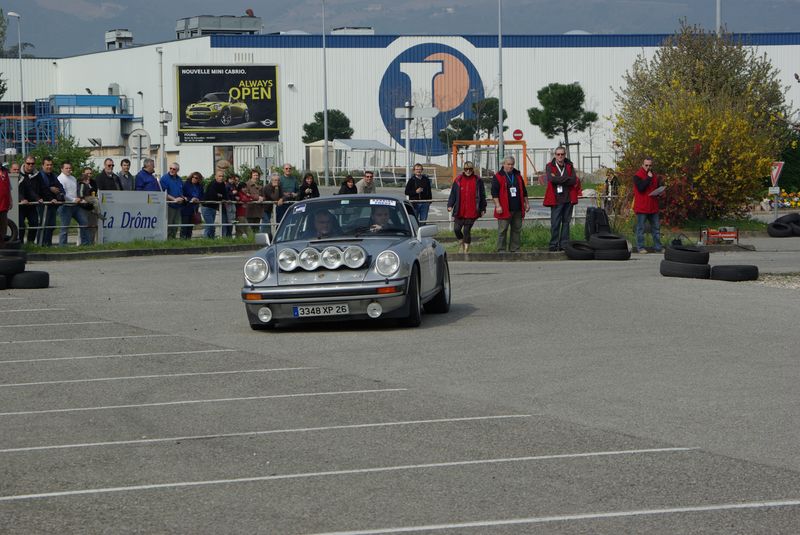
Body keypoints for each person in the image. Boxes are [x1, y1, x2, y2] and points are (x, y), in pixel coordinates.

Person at [543, 146, 580, 251]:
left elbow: (573, 180)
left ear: (565, 155)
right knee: (555, 223)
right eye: (558, 154)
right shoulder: (550, 166)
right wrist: (566, 179)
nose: (560, 156)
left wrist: (559, 179)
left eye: (562, 154)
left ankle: (564, 244)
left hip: (568, 199)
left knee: (566, 223)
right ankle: (553, 244)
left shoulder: (569, 165)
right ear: (555, 155)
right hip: (556, 199)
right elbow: (551, 179)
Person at [491, 156, 528, 252]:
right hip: (504, 208)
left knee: (516, 229)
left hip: (518, 208)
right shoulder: (498, 176)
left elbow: (524, 191)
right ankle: (501, 249)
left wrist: (526, 203)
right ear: (503, 164)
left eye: (512, 164)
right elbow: (494, 193)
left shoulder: (518, 175)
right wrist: (498, 205)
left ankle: (515, 248)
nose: (510, 166)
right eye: (508, 164)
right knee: (502, 230)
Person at [447, 161, 486, 253]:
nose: (468, 171)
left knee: (466, 230)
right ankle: (461, 243)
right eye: (466, 169)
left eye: (470, 169)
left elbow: (482, 195)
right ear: (463, 170)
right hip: (460, 210)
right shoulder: (458, 180)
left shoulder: (478, 180)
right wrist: (450, 205)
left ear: (473, 170)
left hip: (472, 211)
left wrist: (483, 208)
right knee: (456, 229)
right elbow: (453, 194)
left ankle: (466, 249)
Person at [633, 156, 664, 253]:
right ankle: (640, 247)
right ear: (642, 165)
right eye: (646, 165)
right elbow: (641, 188)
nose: (648, 167)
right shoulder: (637, 176)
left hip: (653, 206)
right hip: (642, 207)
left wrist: (659, 193)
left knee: (656, 228)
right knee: (640, 229)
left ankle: (658, 247)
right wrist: (648, 178)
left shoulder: (655, 176)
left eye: (650, 165)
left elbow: (657, 188)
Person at [56, 161, 91, 246]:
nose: (68, 170)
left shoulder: (73, 178)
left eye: (70, 168)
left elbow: (77, 191)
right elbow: (63, 193)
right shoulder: (60, 179)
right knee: (65, 227)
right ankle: (62, 246)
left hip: (76, 206)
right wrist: (73, 199)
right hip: (65, 206)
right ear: (62, 169)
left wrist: (80, 199)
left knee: (84, 223)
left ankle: (86, 244)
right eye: (66, 168)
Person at [37, 156, 65, 246]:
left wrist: (59, 192)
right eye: (47, 165)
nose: (49, 166)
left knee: (51, 225)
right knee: (43, 225)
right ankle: (41, 244)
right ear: (42, 166)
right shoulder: (39, 176)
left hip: (53, 205)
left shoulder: (53, 175)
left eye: (51, 165)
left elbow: (60, 187)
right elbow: (42, 189)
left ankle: (48, 244)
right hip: (44, 204)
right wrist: (50, 189)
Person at [18, 157, 42, 244]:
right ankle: (20, 243)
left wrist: (40, 198)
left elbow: (42, 188)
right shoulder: (19, 174)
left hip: (32, 204)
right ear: (24, 163)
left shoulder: (37, 175)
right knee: (21, 225)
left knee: (35, 223)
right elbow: (17, 190)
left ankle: (30, 243)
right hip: (20, 205)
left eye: (32, 163)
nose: (30, 165)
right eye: (28, 163)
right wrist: (22, 199)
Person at [160, 162, 186, 240]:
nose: (171, 170)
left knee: (175, 225)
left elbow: (181, 192)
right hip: (169, 205)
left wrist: (183, 198)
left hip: (178, 205)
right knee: (169, 224)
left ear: (177, 170)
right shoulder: (164, 178)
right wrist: (174, 199)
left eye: (174, 169)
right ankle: (167, 240)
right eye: (170, 168)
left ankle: (173, 239)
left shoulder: (179, 179)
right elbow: (163, 193)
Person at [201, 169, 228, 239]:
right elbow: (212, 196)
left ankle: (209, 240)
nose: (221, 178)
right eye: (219, 176)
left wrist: (220, 195)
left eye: (222, 176)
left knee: (209, 225)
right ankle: (207, 239)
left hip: (213, 207)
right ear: (215, 177)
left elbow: (225, 195)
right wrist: (219, 196)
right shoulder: (212, 184)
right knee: (210, 225)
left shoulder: (222, 184)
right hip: (206, 207)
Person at [78, 167, 100, 244]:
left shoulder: (93, 182)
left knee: (93, 226)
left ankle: (91, 242)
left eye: (90, 173)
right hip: (83, 208)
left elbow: (95, 192)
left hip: (92, 207)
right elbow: (80, 193)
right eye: (87, 173)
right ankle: (82, 243)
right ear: (83, 174)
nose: (89, 175)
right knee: (84, 226)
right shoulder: (81, 182)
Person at [180, 171, 204, 240]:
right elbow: (182, 194)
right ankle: (182, 240)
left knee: (190, 226)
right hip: (186, 207)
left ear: (199, 179)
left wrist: (198, 199)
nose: (194, 179)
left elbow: (202, 195)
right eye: (193, 177)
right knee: (184, 225)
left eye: (196, 178)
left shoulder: (200, 186)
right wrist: (191, 199)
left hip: (194, 208)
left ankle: (188, 240)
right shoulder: (186, 184)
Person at [243, 170, 265, 234]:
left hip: (258, 210)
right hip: (250, 209)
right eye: (254, 175)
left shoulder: (260, 185)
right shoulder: (246, 184)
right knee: (250, 229)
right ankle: (251, 242)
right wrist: (257, 197)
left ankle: (257, 242)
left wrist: (262, 198)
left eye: (257, 175)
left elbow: (264, 195)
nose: (256, 177)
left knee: (256, 228)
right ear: (251, 176)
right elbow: (246, 194)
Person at [0, 163, 10, 248]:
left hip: (4, 203)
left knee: (3, 224)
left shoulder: (5, 171)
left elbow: (8, 187)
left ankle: (2, 243)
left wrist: (10, 200)